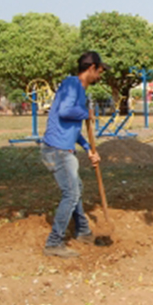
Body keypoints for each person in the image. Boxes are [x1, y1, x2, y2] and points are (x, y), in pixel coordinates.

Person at [41, 51, 108, 258]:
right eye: (100, 71)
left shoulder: (80, 90)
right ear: (92, 68)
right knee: (71, 193)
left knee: (75, 188)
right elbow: (64, 111)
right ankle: (53, 243)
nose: (100, 76)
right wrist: (86, 113)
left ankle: (83, 231)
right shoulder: (72, 84)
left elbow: (72, 129)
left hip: (63, 149)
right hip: (57, 151)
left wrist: (88, 149)